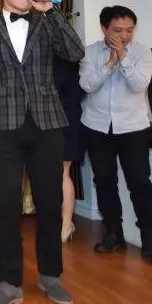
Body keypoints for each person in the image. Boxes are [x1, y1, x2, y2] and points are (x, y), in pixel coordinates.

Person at [0, 0, 85, 304]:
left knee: (49, 203)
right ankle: (9, 283)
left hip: (47, 123)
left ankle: (51, 276)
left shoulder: (47, 22)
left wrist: (51, 13)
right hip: (3, 125)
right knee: (5, 204)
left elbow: (75, 52)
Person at [79, 6, 152, 266]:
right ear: (104, 28)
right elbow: (86, 85)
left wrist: (123, 57)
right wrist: (109, 63)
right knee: (104, 181)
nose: (124, 36)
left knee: (139, 182)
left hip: (133, 127)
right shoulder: (90, 52)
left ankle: (150, 240)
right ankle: (113, 233)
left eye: (129, 30)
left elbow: (139, 84)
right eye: (118, 30)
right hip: (97, 126)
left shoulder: (142, 52)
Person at [55, 57, 85, 243]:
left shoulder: (69, 61)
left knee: (62, 172)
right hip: (48, 124)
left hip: (67, 122)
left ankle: (66, 223)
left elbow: (76, 94)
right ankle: (59, 222)